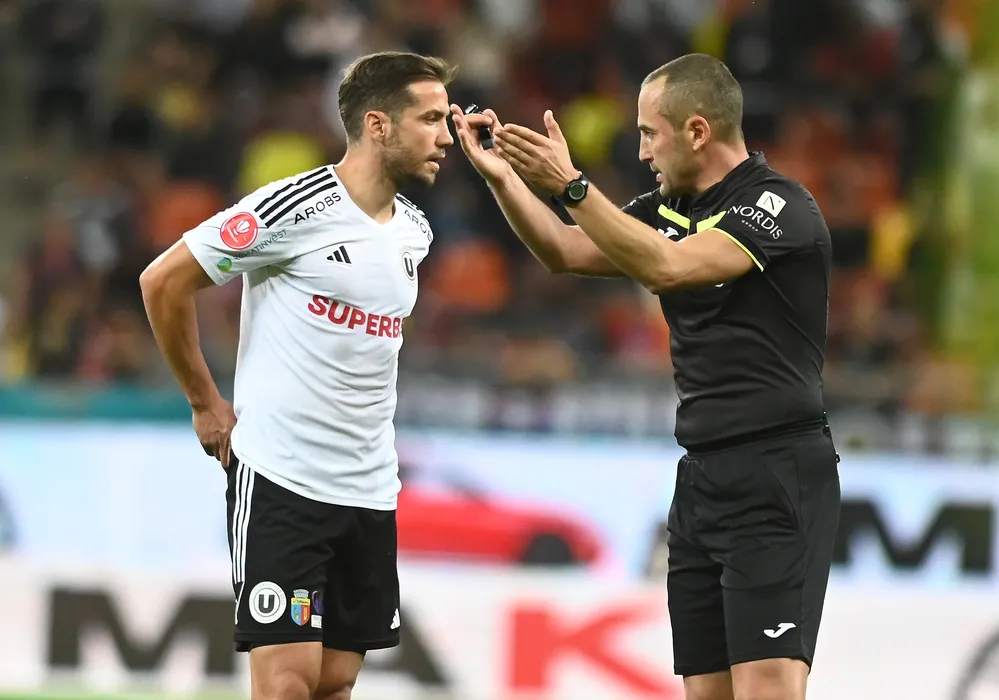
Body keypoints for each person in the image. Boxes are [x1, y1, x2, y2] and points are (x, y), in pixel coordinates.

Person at [452, 53, 840, 700]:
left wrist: (573, 187)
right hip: (701, 478)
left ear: (697, 131)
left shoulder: (777, 206)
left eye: (648, 134)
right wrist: (503, 179)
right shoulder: (667, 208)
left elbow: (667, 267)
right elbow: (564, 249)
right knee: (706, 692)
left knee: (768, 686)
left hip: (777, 474)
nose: (640, 153)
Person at [140, 51, 456, 700]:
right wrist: (204, 402)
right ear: (377, 125)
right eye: (430, 119)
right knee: (287, 683)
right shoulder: (295, 207)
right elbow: (163, 281)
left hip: (369, 488)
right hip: (284, 480)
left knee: (334, 683)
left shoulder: (415, 232)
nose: (446, 136)